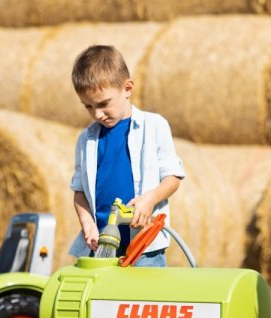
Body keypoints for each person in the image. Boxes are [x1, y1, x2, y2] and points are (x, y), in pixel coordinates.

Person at [69, 45, 185, 267]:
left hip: (144, 246)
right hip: (100, 246)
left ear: (127, 88)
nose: (97, 114)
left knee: (143, 291)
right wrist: (87, 223)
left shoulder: (154, 126)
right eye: (88, 107)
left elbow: (173, 177)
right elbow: (79, 191)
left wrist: (150, 199)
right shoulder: (86, 139)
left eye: (103, 104)